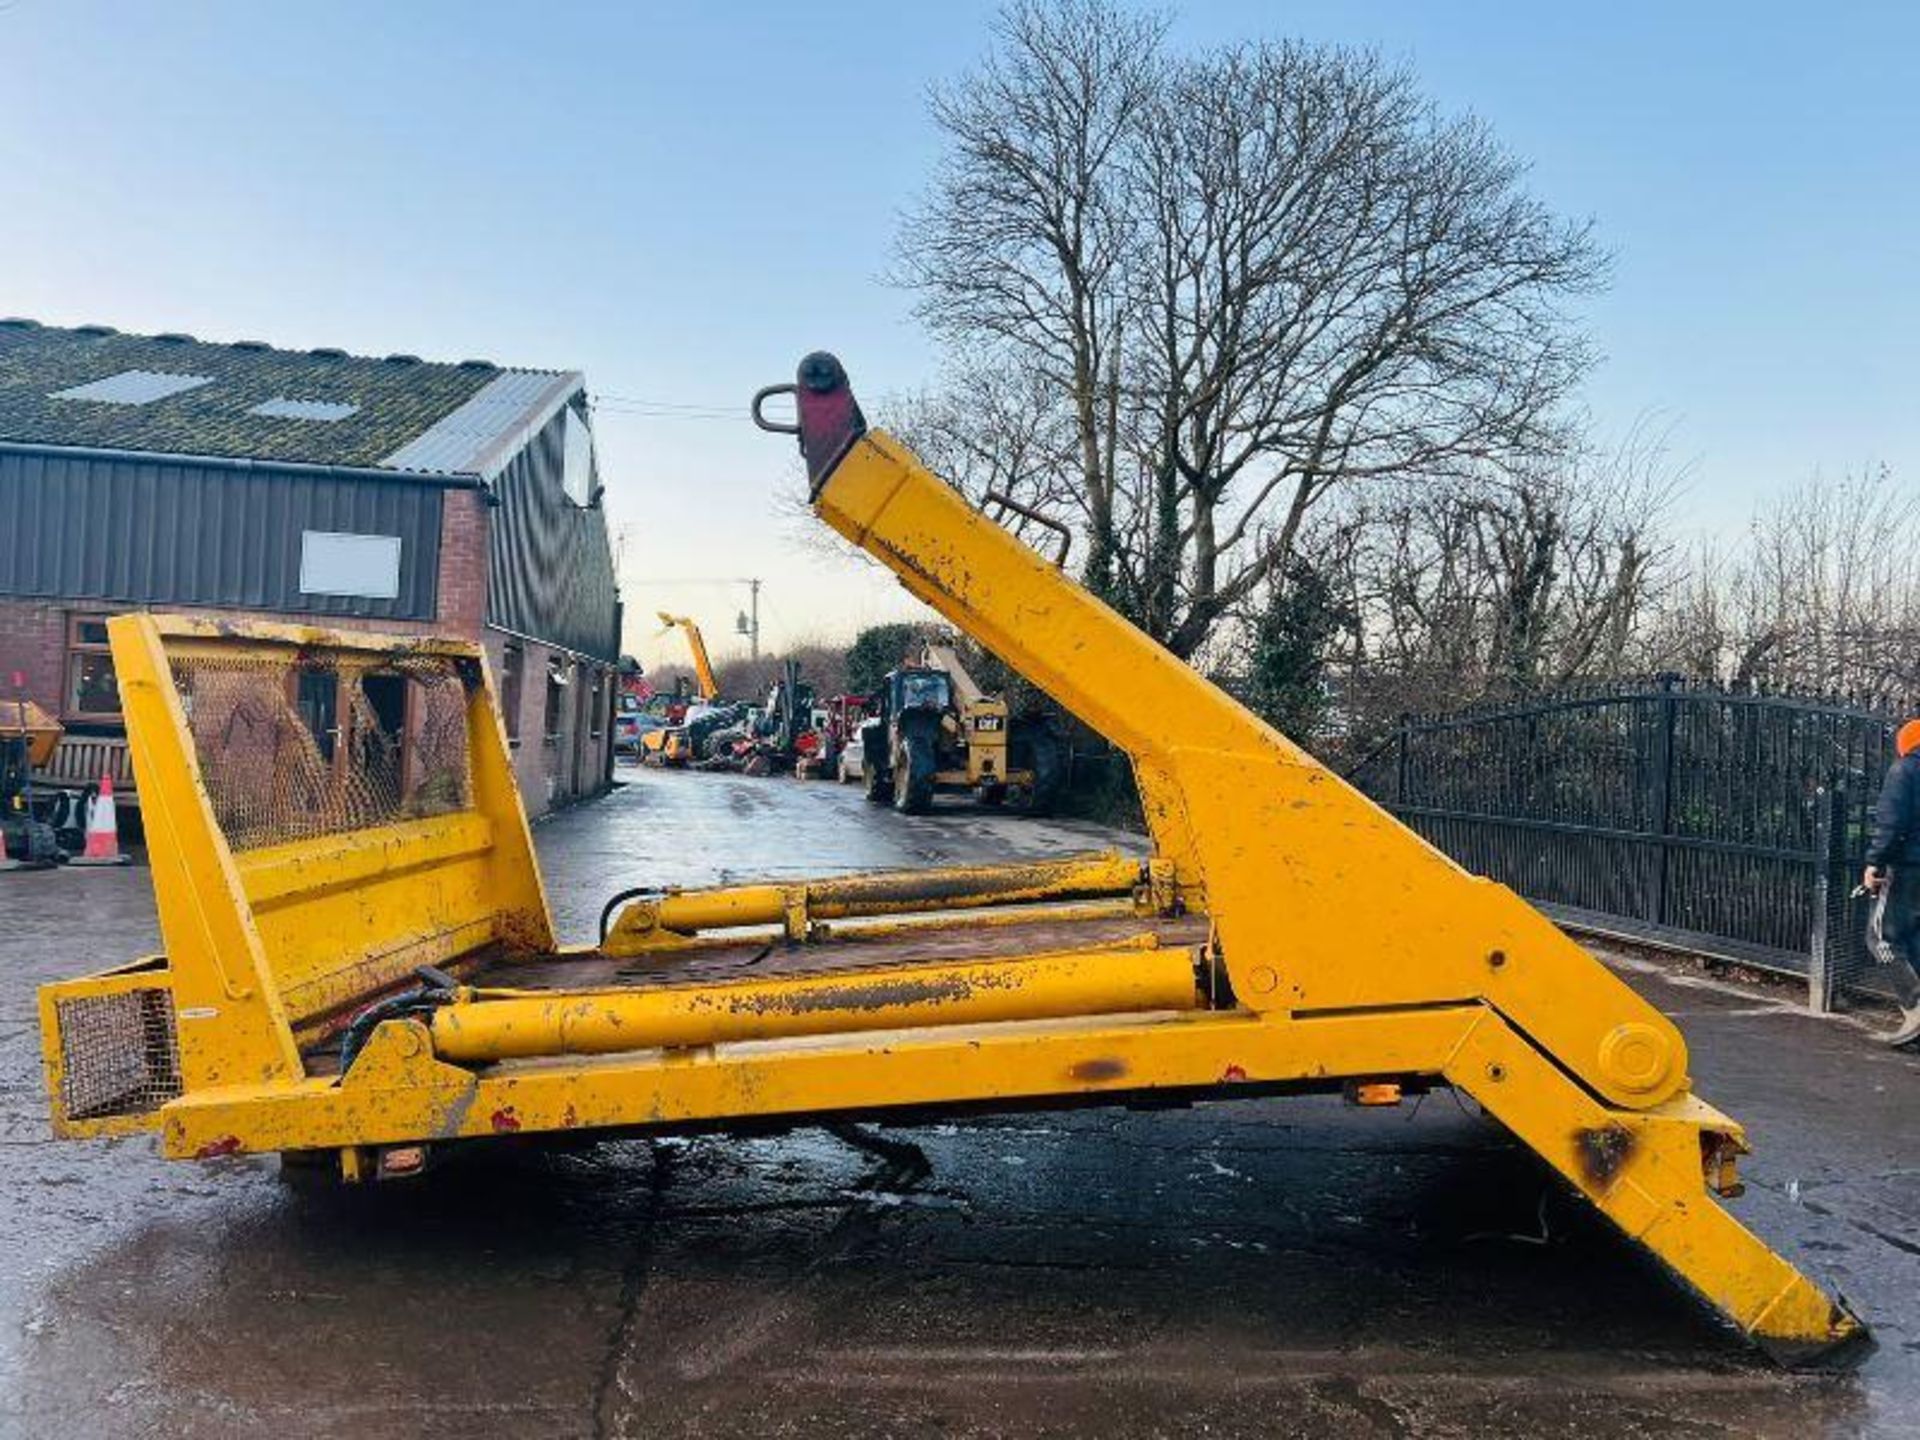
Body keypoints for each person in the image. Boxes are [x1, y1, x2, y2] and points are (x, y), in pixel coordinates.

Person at [1862, 718, 1920, 1045]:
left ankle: (1915, 1004)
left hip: (1906, 866)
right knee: (1914, 942)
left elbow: (1891, 821)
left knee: (1880, 938)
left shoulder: (1904, 771)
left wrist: (1875, 861)